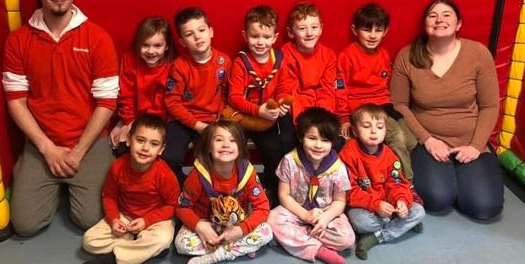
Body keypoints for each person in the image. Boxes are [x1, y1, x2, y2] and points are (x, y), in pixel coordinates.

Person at [2, 0, 119, 235]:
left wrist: (77, 152)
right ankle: (54, 183)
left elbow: (106, 103)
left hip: (89, 142)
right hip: (41, 142)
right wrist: (47, 148)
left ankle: (69, 181)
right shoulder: (18, 41)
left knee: (90, 220)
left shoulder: (97, 38)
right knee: (25, 225)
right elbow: (16, 101)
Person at [390, 0, 504, 220]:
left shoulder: (478, 53)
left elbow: (490, 106)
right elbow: (398, 104)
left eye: (446, 15)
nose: (439, 20)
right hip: (428, 142)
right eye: (432, 16)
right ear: (425, 24)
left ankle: (467, 177)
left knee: (484, 207)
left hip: (471, 141)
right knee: (437, 199)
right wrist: (427, 140)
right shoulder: (408, 55)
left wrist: (476, 146)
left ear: (458, 24)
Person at [82, 114, 179, 264]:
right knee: (89, 240)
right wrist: (114, 219)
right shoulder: (117, 166)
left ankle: (115, 258)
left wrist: (146, 221)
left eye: (154, 144)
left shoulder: (165, 174)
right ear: (128, 140)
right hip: (125, 216)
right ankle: (139, 248)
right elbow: (109, 196)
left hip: (154, 219)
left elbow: (173, 206)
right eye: (140, 140)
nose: (145, 148)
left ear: (161, 149)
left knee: (162, 239)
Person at [335, 3, 417, 179]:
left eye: (378, 30)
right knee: (398, 138)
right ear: (355, 30)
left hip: (383, 105)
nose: (373, 35)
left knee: (411, 140)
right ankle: (405, 182)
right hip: (361, 107)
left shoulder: (384, 55)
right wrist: (344, 119)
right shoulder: (347, 56)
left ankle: (385, 170)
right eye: (367, 29)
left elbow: (384, 87)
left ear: (385, 31)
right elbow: (340, 90)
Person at [175, 120, 273, 264]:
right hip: (208, 224)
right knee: (181, 243)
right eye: (219, 140)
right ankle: (240, 248)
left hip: (238, 223)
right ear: (209, 147)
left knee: (267, 232)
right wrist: (199, 227)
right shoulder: (197, 176)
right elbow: (182, 208)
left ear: (240, 147)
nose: (226, 144)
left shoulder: (247, 172)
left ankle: (217, 255)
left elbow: (263, 207)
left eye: (232, 140)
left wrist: (241, 230)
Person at [268, 108, 355, 264]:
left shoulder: (338, 167)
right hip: (296, 210)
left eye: (325, 140)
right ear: (301, 137)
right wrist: (305, 216)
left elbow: (340, 201)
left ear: (332, 142)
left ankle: (297, 237)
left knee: (347, 239)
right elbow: (284, 195)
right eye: (312, 138)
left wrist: (325, 218)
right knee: (272, 220)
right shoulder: (289, 160)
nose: (318, 145)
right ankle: (318, 250)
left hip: (325, 213)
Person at [340, 104, 425, 260]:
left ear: (385, 130)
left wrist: (400, 200)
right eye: (367, 126)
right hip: (365, 205)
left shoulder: (390, 155)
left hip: (389, 203)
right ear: (355, 131)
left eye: (380, 127)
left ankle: (377, 237)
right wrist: (376, 205)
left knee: (418, 211)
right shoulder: (348, 153)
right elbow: (348, 191)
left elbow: (397, 183)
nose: (374, 131)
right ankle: (401, 226)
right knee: (359, 221)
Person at [228, 5, 294, 204]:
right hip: (244, 116)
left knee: (274, 149)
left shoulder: (279, 59)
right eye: (255, 36)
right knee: (233, 148)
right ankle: (235, 189)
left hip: (268, 118)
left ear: (275, 38)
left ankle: (272, 189)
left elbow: (284, 87)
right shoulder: (241, 62)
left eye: (266, 37)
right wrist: (258, 111)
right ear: (245, 35)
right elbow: (234, 97)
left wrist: (281, 103)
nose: (260, 42)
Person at [163, 7, 232, 184]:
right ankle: (182, 188)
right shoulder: (179, 67)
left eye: (201, 30)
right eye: (189, 34)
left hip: (211, 120)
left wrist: (220, 115)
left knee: (213, 158)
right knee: (170, 157)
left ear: (211, 31)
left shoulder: (223, 62)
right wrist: (196, 124)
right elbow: (172, 103)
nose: (197, 37)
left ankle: (209, 191)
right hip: (182, 120)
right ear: (182, 41)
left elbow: (226, 93)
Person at [109, 17, 175, 155]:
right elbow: (126, 96)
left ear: (167, 46)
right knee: (122, 149)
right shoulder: (129, 60)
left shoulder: (173, 66)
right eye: (145, 45)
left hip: (161, 121)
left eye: (157, 46)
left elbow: (166, 104)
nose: (151, 51)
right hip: (133, 117)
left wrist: (145, 129)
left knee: (163, 153)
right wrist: (127, 122)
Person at [280, 3, 338, 125]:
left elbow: (327, 90)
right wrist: (302, 121)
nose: (309, 33)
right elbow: (289, 91)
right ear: (290, 32)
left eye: (314, 27)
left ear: (321, 28)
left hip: (320, 112)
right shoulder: (285, 54)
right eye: (302, 28)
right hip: (297, 112)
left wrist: (321, 117)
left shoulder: (329, 56)